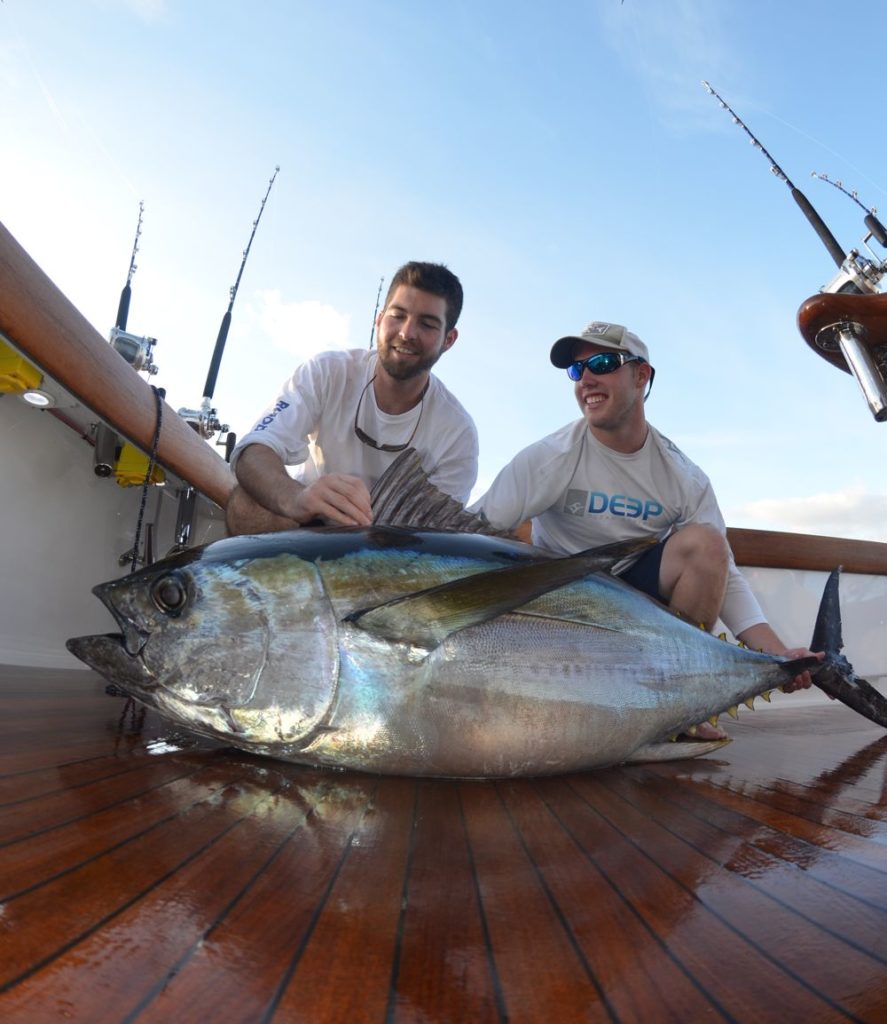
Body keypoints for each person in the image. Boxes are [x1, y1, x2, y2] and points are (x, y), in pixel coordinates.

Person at [472, 320, 820, 739]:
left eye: (602, 362)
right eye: (576, 370)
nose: (587, 380)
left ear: (642, 376)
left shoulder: (681, 475)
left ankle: (674, 712)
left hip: (638, 607)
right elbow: (475, 534)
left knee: (706, 547)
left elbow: (724, 575)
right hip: (560, 607)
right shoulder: (548, 457)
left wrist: (780, 655)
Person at [227, 261, 478, 534]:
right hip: (305, 527)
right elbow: (254, 451)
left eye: (427, 324)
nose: (407, 333)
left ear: (448, 340)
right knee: (246, 503)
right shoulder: (327, 371)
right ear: (379, 320)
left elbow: (433, 538)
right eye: (398, 315)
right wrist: (298, 499)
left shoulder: (458, 433)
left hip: (390, 554)